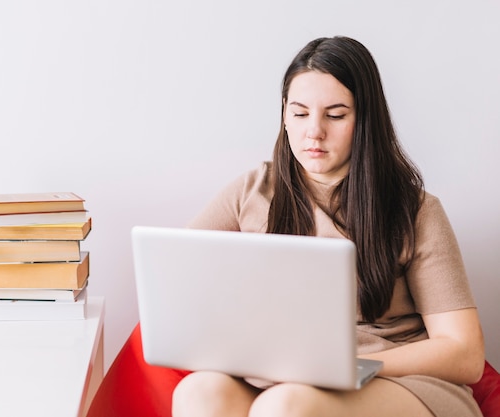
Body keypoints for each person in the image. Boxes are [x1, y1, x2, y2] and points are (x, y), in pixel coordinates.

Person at [171, 36, 485, 417]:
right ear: (284, 114)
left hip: (394, 378)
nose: (314, 132)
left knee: (285, 407)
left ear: (365, 119)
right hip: (280, 375)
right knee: (198, 392)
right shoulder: (252, 190)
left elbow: (464, 353)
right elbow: (179, 282)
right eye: (300, 113)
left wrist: (345, 366)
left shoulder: (415, 209)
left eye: (335, 115)